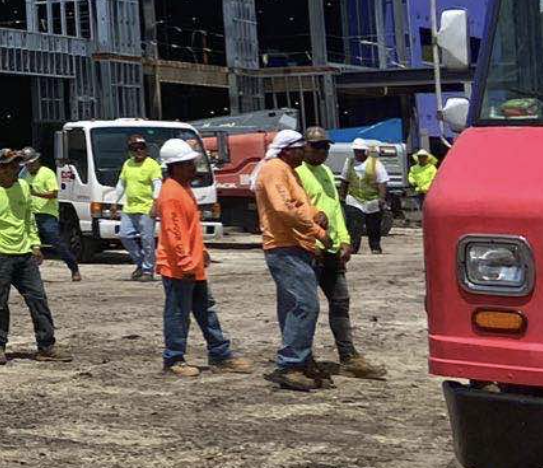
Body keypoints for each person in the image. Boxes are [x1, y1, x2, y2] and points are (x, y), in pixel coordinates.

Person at [296, 131, 385, 381]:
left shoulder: (325, 172)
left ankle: (348, 356)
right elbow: (297, 211)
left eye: (325, 147)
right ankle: (302, 357)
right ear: (305, 147)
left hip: (332, 249)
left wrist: (345, 239)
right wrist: (312, 242)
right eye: (316, 147)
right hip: (311, 250)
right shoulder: (297, 173)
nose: (322, 151)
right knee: (306, 307)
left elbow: (335, 209)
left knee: (341, 302)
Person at [155, 139, 245, 377]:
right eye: (188, 164)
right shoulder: (172, 193)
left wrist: (200, 252)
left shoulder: (182, 189)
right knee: (178, 314)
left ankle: (219, 354)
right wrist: (186, 262)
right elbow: (174, 234)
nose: (193, 168)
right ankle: (174, 359)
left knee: (205, 311)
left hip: (191, 265)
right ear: (174, 166)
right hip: (179, 268)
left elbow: (187, 229)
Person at [254, 130, 329, 392]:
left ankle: (300, 359)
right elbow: (284, 209)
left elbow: (299, 204)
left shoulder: (287, 170)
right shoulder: (275, 169)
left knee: (292, 307)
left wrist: (317, 214)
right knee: (305, 305)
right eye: (301, 148)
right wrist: (318, 231)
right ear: (288, 149)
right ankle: (291, 363)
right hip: (285, 246)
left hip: (294, 245)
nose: (305, 153)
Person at [0, 149, 61, 364]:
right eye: (7, 166)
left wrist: (35, 244)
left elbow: (28, 219)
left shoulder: (23, 188)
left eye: (15, 166)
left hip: (25, 256)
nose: (12, 170)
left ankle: (46, 345)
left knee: (38, 299)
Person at [116, 135, 163, 281]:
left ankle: (148, 270)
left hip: (146, 208)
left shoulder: (152, 165)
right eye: (134, 148)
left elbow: (157, 185)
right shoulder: (127, 164)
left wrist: (155, 204)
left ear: (146, 148)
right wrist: (114, 202)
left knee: (147, 240)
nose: (138, 151)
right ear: (130, 150)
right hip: (129, 208)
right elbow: (121, 184)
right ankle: (141, 263)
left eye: (141, 147)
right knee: (124, 235)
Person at [27, 147, 77, 281]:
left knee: (55, 241)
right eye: (27, 164)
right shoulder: (23, 174)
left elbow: (53, 193)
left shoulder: (47, 173)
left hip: (47, 214)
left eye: (31, 163)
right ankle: (30, 274)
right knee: (27, 244)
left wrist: (35, 193)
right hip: (30, 214)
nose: (29, 166)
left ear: (37, 161)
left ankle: (73, 266)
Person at [342, 140, 390, 254]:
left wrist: (382, 198)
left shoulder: (375, 163)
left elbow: (382, 181)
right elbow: (344, 180)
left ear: (366, 152)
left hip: (372, 199)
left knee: (373, 225)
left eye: (360, 151)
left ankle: (375, 246)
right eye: (356, 151)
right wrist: (342, 196)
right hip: (354, 198)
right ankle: (353, 246)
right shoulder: (349, 162)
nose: (357, 154)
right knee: (354, 224)